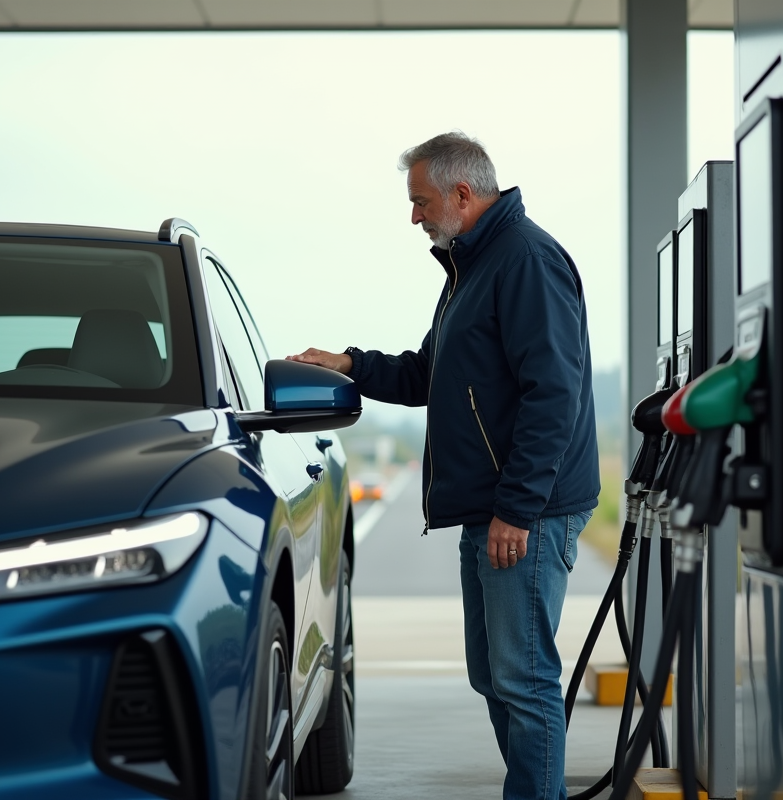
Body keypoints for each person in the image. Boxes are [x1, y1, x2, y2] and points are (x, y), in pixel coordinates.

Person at [288, 131, 600, 800]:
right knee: (493, 674)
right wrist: (350, 364)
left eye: (420, 201)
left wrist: (516, 508)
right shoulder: (471, 267)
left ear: (463, 193)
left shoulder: (525, 262)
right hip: (489, 507)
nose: (414, 217)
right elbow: (432, 372)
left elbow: (555, 395)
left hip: (527, 513)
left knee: (524, 678)